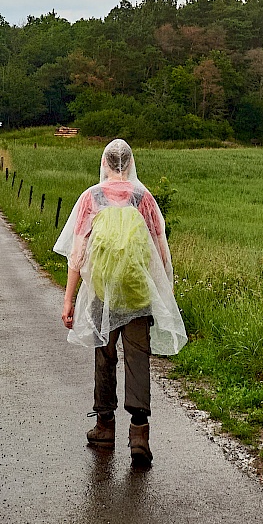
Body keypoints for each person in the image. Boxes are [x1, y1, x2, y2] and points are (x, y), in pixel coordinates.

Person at [56, 139, 187, 465]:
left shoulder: (92, 198)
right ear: (129, 164)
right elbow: (160, 253)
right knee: (138, 358)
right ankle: (139, 434)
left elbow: (77, 256)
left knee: (106, 355)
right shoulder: (144, 199)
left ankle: (104, 426)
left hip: (104, 293)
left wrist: (69, 300)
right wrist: (164, 295)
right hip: (139, 294)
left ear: (104, 163)